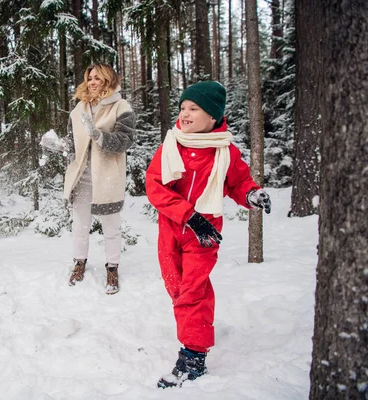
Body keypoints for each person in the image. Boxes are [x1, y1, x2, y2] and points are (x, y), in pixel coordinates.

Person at [145, 81, 271, 388]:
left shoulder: (224, 151)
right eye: (183, 107)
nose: (185, 113)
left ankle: (193, 356)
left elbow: (239, 182)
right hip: (173, 228)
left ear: (212, 117)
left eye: (194, 109)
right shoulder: (171, 145)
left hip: (204, 234)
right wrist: (187, 215)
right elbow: (154, 187)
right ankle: (195, 327)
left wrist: (251, 195)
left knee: (193, 289)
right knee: (177, 287)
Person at [63, 63, 135, 294]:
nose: (92, 82)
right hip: (81, 176)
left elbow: (125, 140)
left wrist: (99, 135)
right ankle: (79, 263)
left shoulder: (120, 106)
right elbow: (72, 142)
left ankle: (112, 268)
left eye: (98, 78)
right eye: (90, 78)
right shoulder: (79, 109)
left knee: (111, 227)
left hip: (107, 177)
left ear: (108, 80)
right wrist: (60, 146)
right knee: (80, 225)